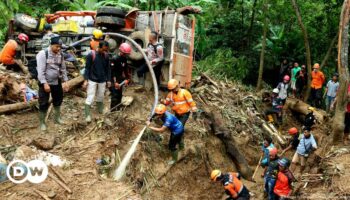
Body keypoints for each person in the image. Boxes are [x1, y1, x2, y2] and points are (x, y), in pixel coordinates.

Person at [36, 35, 69, 131]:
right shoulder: (43, 54)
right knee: (43, 102)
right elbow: (40, 71)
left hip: (56, 81)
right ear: (51, 45)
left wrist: (66, 81)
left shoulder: (60, 54)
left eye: (60, 47)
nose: (58, 49)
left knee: (58, 100)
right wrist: (44, 83)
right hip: (45, 82)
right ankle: (42, 123)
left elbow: (63, 69)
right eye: (56, 46)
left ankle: (57, 118)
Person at [83, 41, 111, 122]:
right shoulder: (91, 55)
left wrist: (108, 80)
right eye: (104, 50)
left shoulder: (106, 56)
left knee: (101, 95)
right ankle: (87, 115)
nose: (105, 52)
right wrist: (86, 80)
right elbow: (87, 68)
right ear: (99, 47)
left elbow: (108, 69)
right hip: (92, 79)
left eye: (106, 50)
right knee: (90, 96)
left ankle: (100, 109)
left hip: (102, 79)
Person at [110, 43, 132, 111]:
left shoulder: (124, 59)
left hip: (120, 79)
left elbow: (125, 69)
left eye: (126, 54)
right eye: (125, 53)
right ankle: (112, 111)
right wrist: (115, 82)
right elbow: (112, 72)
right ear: (121, 51)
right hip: (114, 79)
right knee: (114, 96)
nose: (126, 55)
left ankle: (118, 109)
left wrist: (127, 78)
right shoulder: (114, 58)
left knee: (119, 95)